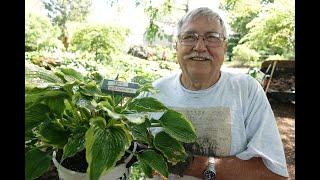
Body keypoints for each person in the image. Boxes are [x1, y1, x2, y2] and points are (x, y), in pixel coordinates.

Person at [145, 7, 289, 180]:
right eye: (190, 37)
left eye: (212, 37)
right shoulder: (153, 93)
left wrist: (190, 164)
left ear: (225, 46)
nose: (199, 47)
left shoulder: (246, 90)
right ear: (176, 45)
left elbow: (274, 174)